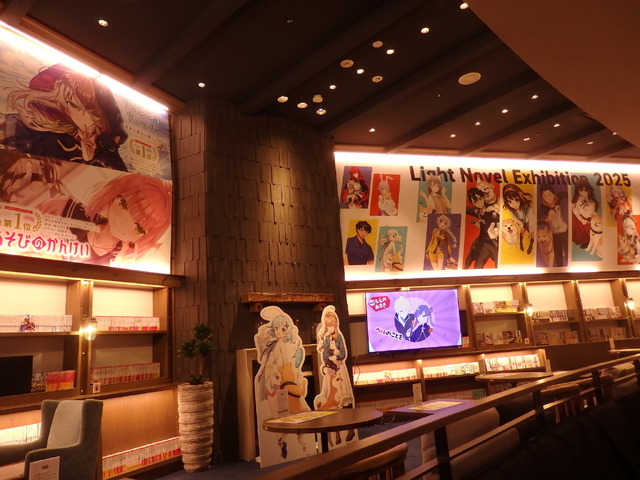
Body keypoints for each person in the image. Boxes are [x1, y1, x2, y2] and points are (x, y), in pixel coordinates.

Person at [2, 63, 129, 171]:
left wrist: (89, 159)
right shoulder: (32, 133)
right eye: (74, 106)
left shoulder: (109, 148)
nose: (86, 120)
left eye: (95, 115)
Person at [37, 173, 171, 266]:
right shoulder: (65, 208)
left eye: (139, 228)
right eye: (123, 205)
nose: (124, 222)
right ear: (115, 194)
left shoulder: (119, 262)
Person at [255, 306, 311, 459]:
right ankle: (282, 442)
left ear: (288, 330)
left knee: (285, 415)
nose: (279, 331)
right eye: (276, 328)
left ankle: (284, 441)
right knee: (279, 416)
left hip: (281, 381)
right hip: (272, 381)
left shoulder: (287, 346)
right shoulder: (273, 345)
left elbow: (289, 364)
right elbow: (266, 360)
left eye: (283, 328)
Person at [314, 306, 355, 445]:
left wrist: (336, 355)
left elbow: (343, 353)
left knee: (344, 399)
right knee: (331, 400)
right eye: (328, 325)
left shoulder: (339, 337)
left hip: (340, 369)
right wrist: (327, 363)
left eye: (333, 324)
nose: (331, 327)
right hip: (331, 370)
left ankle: (350, 428)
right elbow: (324, 354)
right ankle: (336, 433)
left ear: (336, 323)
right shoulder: (326, 337)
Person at [464, 187, 500, 269]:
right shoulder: (478, 211)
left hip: (495, 243)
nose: (478, 203)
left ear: (483, 197)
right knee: (477, 266)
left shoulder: (491, 211)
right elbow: (467, 209)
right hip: (485, 243)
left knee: (499, 266)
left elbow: (499, 223)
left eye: (479, 199)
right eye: (475, 202)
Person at [539, 185, 568, 266]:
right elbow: (537, 219)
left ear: (554, 195)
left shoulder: (561, 201)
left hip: (565, 231)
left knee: (568, 252)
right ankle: (559, 270)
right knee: (558, 255)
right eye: (545, 196)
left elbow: (565, 194)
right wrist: (546, 219)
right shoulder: (543, 209)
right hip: (555, 234)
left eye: (549, 195)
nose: (548, 198)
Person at [502, 183, 535, 254]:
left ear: (520, 197)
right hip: (521, 224)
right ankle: (521, 243)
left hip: (530, 223)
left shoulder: (528, 208)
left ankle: (530, 246)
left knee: (533, 234)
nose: (514, 204)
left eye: (516, 200)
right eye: (510, 201)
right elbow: (515, 218)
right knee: (522, 233)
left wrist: (530, 230)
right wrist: (522, 227)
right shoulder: (511, 209)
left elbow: (531, 219)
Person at [571, 177, 598, 248]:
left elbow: (588, 214)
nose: (582, 193)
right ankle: (579, 239)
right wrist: (580, 218)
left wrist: (579, 209)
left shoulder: (591, 201)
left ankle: (587, 240)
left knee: (587, 226)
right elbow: (574, 210)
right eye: (580, 191)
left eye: (584, 190)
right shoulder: (579, 198)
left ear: (589, 190)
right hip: (580, 218)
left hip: (588, 218)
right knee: (573, 218)